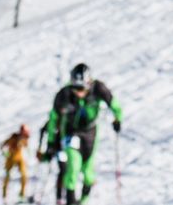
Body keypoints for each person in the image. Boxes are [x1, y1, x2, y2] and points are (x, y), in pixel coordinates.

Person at [38, 63, 122, 204]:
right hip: (71, 132)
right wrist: (51, 142)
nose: (78, 92)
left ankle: (83, 201)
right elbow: (53, 119)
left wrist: (117, 118)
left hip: (90, 133)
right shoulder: (64, 95)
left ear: (89, 83)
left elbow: (114, 104)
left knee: (89, 174)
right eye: (75, 88)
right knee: (73, 168)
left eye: (82, 88)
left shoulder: (99, 89)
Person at [1, 123, 29, 202]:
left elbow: (26, 146)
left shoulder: (24, 139)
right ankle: (4, 196)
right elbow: (2, 145)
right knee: (7, 176)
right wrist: (5, 153)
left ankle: (22, 195)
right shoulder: (13, 137)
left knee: (24, 176)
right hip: (10, 158)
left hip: (19, 159)